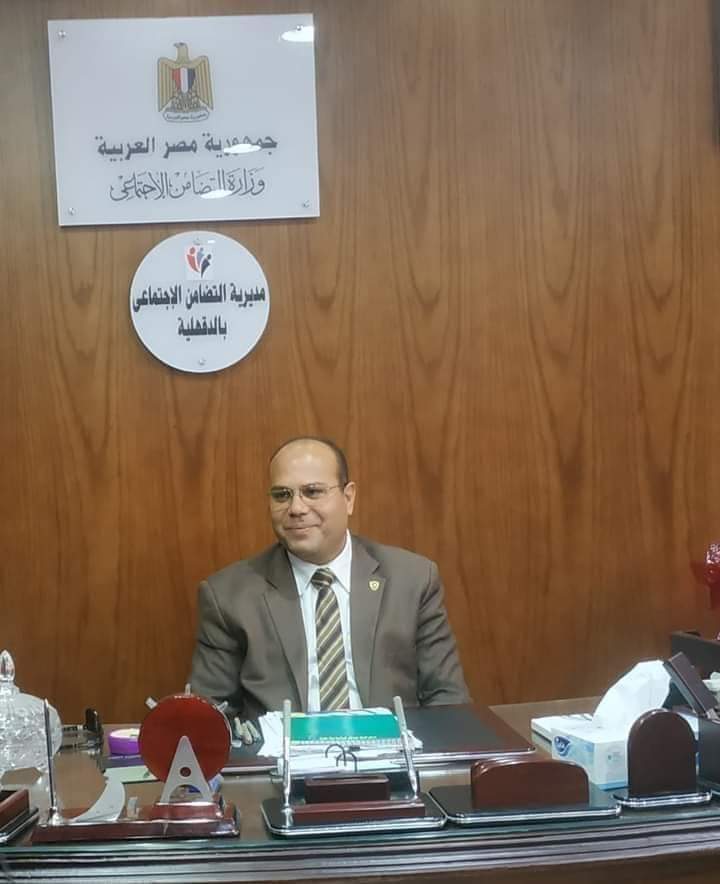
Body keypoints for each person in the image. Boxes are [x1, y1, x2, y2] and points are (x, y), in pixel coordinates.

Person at [190, 437, 469, 720]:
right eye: (282, 495)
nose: (296, 508)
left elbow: (447, 699)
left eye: (312, 492)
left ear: (348, 498)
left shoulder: (412, 579)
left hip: (391, 746)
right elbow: (210, 718)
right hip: (281, 747)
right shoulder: (228, 596)